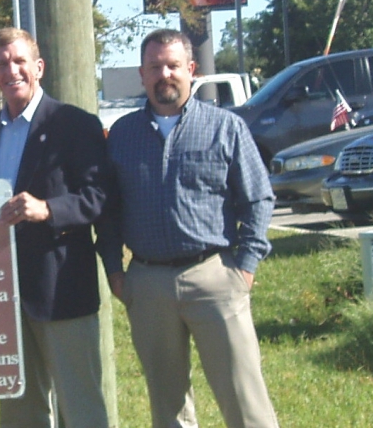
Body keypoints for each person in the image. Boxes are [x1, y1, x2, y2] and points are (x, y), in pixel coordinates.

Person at [98, 28, 278, 428]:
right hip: (146, 283)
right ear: (142, 75)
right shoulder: (121, 136)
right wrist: (115, 272)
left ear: (191, 70)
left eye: (173, 65)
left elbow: (259, 199)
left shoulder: (225, 127)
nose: (165, 74)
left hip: (214, 276)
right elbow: (106, 211)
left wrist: (245, 267)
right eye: (155, 66)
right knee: (168, 409)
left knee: (245, 402)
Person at [0, 27, 110, 428]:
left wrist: (48, 209)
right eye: (1, 64)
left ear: (39, 67)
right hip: (4, 293)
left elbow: (100, 196)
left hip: (61, 288)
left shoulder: (74, 124)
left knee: (80, 407)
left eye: (19, 61)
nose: (11, 70)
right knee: (20, 411)